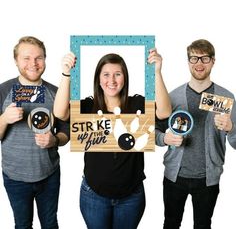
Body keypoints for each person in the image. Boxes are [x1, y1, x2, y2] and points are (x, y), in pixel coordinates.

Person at [53, 48, 171, 229]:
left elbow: (164, 112)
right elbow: (60, 113)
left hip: (131, 195)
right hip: (94, 195)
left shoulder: (138, 104)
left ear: (125, 78)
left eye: (118, 74)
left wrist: (156, 71)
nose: (112, 80)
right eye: (106, 75)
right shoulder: (87, 105)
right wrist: (66, 74)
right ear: (98, 79)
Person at [155, 39, 236, 229]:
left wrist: (231, 128)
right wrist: (164, 138)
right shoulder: (173, 97)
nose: (199, 63)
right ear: (188, 62)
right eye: (194, 58)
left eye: (205, 58)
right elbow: (153, 132)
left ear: (213, 61)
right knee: (171, 223)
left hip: (208, 179)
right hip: (174, 177)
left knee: (203, 225)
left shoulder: (226, 98)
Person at [0, 36, 70, 229]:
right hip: (15, 177)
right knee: (22, 225)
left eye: (39, 58)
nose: (33, 63)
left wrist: (54, 140)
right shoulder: (3, 90)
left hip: (49, 175)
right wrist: (4, 119)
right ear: (16, 60)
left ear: (45, 60)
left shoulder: (56, 92)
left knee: (50, 223)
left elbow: (66, 132)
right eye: (26, 58)